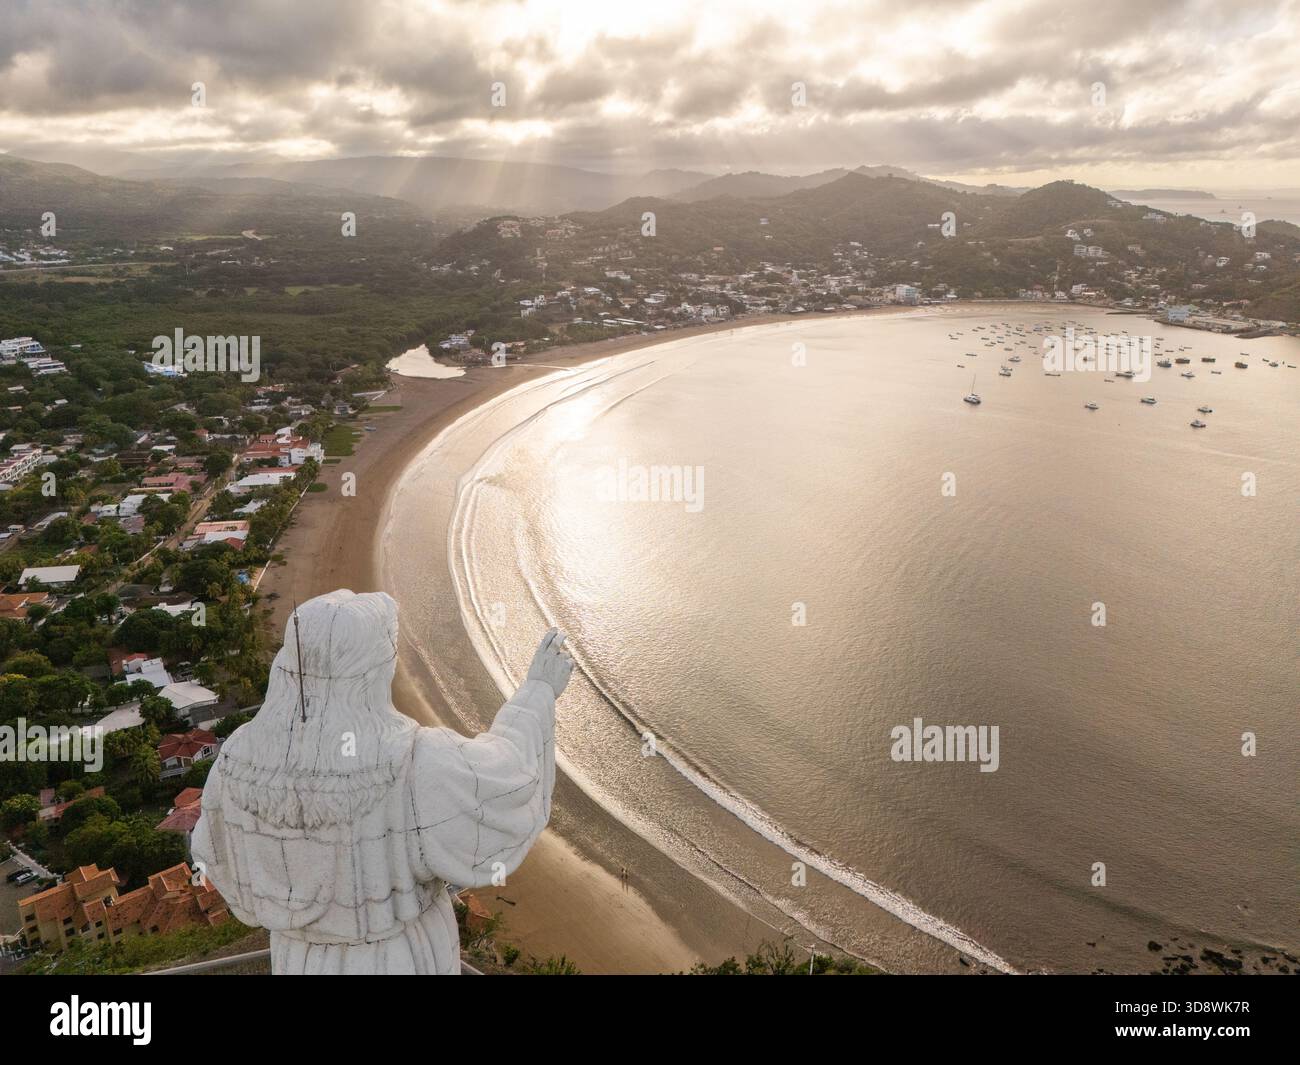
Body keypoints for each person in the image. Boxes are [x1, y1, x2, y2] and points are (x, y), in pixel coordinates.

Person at [192, 589, 572, 974]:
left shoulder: (236, 759)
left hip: (299, 961)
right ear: (372, 670)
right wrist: (538, 691)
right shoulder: (413, 759)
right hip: (396, 959)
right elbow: (506, 776)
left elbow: (214, 857)